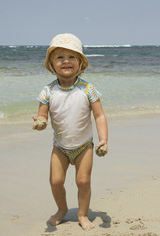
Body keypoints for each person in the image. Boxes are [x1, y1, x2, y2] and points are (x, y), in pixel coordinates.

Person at [32, 33, 108, 230]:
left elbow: (99, 116)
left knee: (83, 181)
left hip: (84, 146)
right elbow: (42, 114)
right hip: (60, 147)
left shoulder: (88, 89)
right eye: (59, 57)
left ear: (80, 62)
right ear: (51, 63)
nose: (66, 61)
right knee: (56, 182)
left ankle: (82, 214)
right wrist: (40, 121)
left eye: (72, 56)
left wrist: (103, 139)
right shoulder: (47, 91)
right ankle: (62, 209)